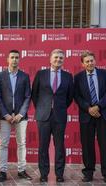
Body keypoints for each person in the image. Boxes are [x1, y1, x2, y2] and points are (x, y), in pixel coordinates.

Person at [31, 49, 74, 183]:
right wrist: (43, 107)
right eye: (55, 57)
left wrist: (59, 108)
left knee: (60, 146)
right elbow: (34, 94)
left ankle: (59, 174)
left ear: (63, 60)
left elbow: (70, 97)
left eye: (61, 58)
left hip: (59, 115)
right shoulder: (41, 74)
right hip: (43, 115)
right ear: (50, 59)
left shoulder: (68, 76)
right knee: (43, 146)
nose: (58, 60)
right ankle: (44, 174)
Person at [74, 51, 106, 183]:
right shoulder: (78, 77)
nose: (90, 63)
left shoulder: (105, 74)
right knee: (87, 145)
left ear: (95, 61)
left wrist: (98, 106)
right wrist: (88, 108)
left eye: (92, 60)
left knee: (105, 145)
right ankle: (88, 173)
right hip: (87, 115)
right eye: (87, 61)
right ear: (82, 64)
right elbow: (77, 96)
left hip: (103, 114)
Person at [0, 50, 32, 182]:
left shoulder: (25, 76)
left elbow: (28, 96)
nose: (15, 60)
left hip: (21, 117)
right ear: (7, 59)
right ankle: (3, 171)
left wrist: (20, 114)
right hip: (4, 117)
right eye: (12, 57)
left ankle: (22, 170)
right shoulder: (0, 76)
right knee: (3, 143)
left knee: (22, 143)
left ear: (19, 60)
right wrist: (5, 114)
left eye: (17, 57)